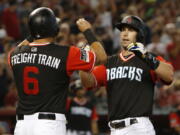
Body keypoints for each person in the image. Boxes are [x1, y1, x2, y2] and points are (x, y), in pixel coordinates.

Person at [8, 7, 107, 135]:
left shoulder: (14, 54)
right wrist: (87, 31)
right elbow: (102, 57)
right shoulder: (67, 53)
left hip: (22, 126)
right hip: (49, 125)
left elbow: (19, 48)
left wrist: (35, 32)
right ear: (54, 29)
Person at [79, 15, 174, 135]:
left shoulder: (148, 59)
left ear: (139, 34)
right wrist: (83, 63)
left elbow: (169, 75)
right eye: (123, 30)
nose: (125, 33)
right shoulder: (110, 62)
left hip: (138, 127)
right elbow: (88, 82)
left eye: (130, 30)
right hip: (115, 129)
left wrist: (146, 56)